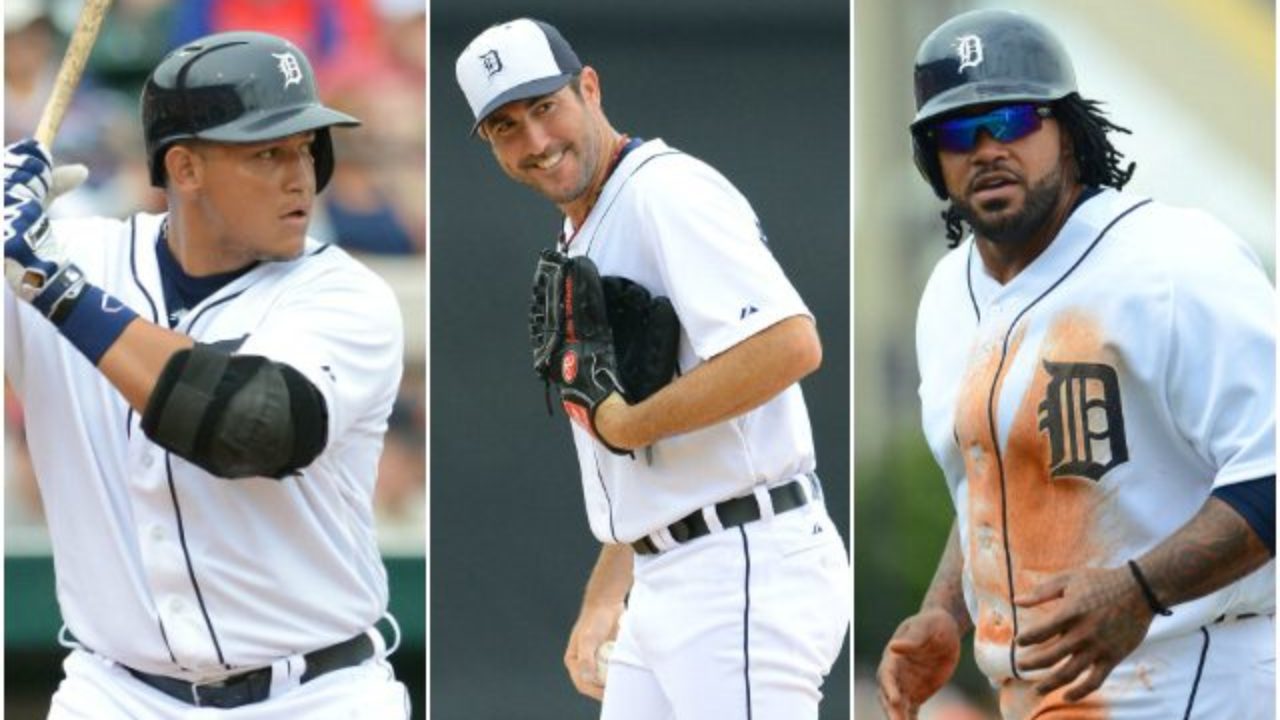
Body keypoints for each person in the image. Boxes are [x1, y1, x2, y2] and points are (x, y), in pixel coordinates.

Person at [877, 9, 1275, 720]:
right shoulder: (946, 295)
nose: (989, 147)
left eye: (1016, 119)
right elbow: (995, 477)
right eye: (961, 130)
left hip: (1195, 675)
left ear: (1068, 129)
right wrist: (946, 610)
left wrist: (1141, 590)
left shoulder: (1175, 259)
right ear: (931, 158)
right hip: (1038, 695)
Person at [4, 31, 409, 718]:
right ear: (185, 169)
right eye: (267, 152)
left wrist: (56, 290)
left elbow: (251, 427)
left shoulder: (345, 294)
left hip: (314, 695)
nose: (300, 176)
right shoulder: (67, 255)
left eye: (307, 148)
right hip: (115, 692)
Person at [455, 18, 851, 720]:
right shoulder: (585, 223)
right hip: (670, 571)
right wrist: (609, 591)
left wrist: (632, 422)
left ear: (589, 87)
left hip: (743, 570)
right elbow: (653, 466)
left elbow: (791, 344)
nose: (536, 142)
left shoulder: (664, 192)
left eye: (545, 107)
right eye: (506, 126)